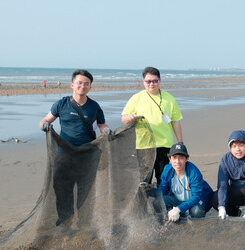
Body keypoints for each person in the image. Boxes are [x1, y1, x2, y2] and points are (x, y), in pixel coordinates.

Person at [39, 69, 111, 226]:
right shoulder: (61, 103)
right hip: (64, 154)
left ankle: (84, 223)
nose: (82, 86)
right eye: (79, 83)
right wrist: (44, 125)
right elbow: (45, 119)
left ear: (90, 87)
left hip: (87, 155)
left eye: (86, 84)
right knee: (62, 189)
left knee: (85, 191)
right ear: (72, 85)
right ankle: (65, 221)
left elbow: (101, 124)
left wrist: (106, 130)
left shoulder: (94, 106)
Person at [121, 67, 183, 185]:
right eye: (148, 81)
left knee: (163, 180)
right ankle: (145, 202)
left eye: (155, 81)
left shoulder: (169, 98)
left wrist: (180, 142)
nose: (152, 84)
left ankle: (163, 202)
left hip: (164, 145)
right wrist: (130, 118)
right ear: (143, 82)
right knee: (144, 180)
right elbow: (124, 118)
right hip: (143, 146)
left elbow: (176, 121)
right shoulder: (136, 98)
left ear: (160, 80)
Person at [158, 143, 213, 222]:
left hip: (195, 201)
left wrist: (178, 209)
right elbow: (162, 191)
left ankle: (197, 226)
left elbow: (196, 197)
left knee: (196, 211)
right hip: (177, 200)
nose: (177, 161)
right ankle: (169, 222)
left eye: (181, 158)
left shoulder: (194, 172)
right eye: (174, 158)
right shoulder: (167, 170)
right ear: (170, 159)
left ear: (187, 159)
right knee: (160, 201)